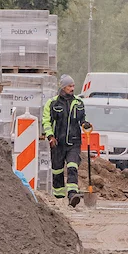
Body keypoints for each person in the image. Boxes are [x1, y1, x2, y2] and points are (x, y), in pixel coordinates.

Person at [42, 75, 87, 207]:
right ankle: (59, 197)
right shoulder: (52, 103)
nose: (72, 88)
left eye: (73, 86)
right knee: (57, 170)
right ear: (63, 87)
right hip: (58, 143)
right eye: (69, 86)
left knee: (72, 166)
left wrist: (85, 124)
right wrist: (50, 136)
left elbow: (82, 119)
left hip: (74, 142)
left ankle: (72, 194)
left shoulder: (79, 102)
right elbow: (46, 121)